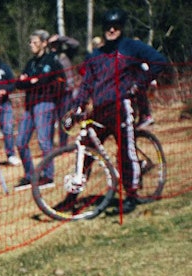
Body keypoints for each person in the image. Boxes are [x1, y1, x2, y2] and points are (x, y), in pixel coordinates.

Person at [73, 8, 168, 212]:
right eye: (108, 26)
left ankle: (132, 194)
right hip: (99, 109)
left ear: (122, 27)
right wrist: (77, 107)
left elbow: (160, 61)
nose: (112, 30)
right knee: (86, 147)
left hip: (121, 105)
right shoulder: (95, 55)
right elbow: (86, 84)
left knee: (125, 149)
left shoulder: (131, 47)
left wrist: (139, 84)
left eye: (116, 26)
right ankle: (73, 193)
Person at [14, 30, 65, 190]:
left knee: (44, 140)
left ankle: (48, 176)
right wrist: (31, 81)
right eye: (31, 43)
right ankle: (30, 175)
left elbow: (42, 81)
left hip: (45, 102)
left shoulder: (51, 60)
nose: (32, 45)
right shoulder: (31, 63)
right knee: (21, 142)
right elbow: (19, 83)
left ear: (44, 43)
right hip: (30, 104)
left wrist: (30, 80)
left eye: (35, 42)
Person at [47, 34, 82, 147]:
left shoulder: (66, 55)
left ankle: (63, 144)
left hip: (67, 91)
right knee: (51, 120)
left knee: (65, 118)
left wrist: (60, 38)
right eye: (51, 44)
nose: (53, 47)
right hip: (52, 93)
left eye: (55, 44)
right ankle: (50, 145)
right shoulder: (48, 58)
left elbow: (76, 44)